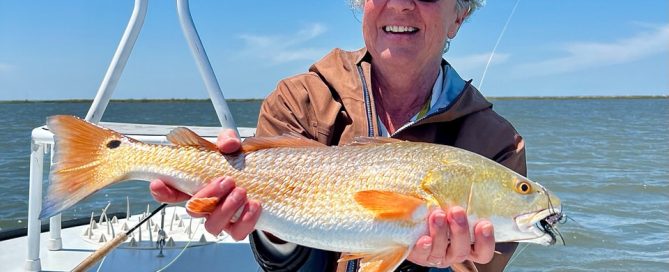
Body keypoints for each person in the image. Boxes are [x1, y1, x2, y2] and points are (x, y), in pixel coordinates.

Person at [150, 0, 526, 271]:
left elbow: (485, 265)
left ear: (459, 15)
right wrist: (269, 228)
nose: (401, 4)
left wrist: (441, 263)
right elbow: (285, 264)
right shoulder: (298, 101)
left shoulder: (497, 143)